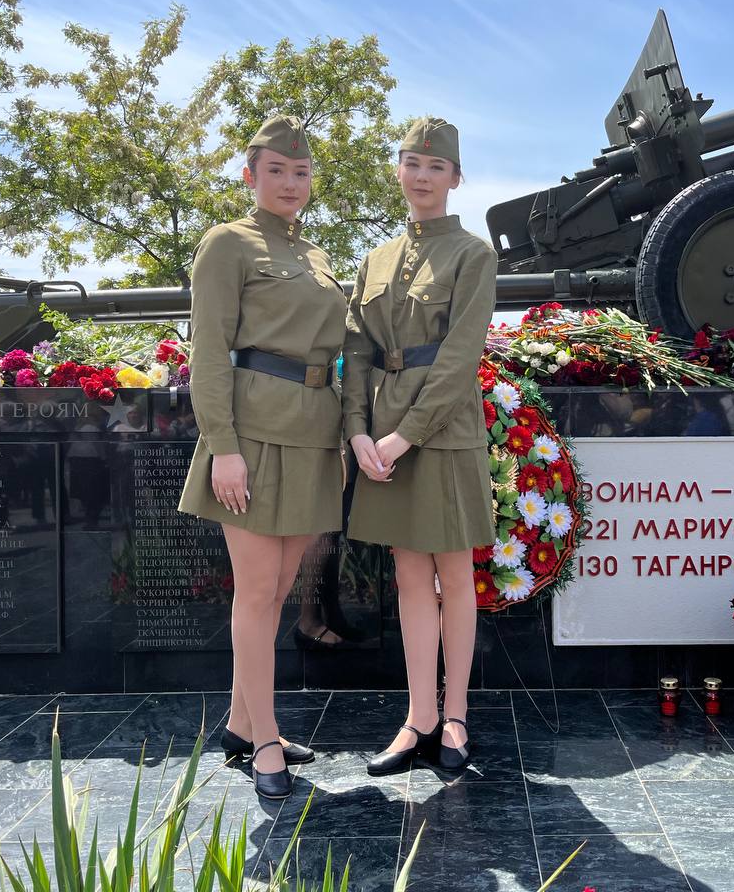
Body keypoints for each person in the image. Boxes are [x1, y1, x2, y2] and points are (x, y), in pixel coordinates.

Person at [177, 115, 348, 800]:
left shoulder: (317, 254)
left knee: (279, 592)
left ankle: (241, 726)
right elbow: (209, 351)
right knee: (255, 592)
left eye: (301, 172)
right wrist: (223, 448)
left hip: (313, 432)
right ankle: (267, 741)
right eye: (276, 170)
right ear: (250, 176)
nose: (290, 183)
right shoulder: (228, 242)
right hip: (251, 432)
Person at [342, 116, 496, 776]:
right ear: (398, 170)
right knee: (409, 576)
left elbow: (460, 359)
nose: (423, 176)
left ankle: (455, 716)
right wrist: (357, 431)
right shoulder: (374, 261)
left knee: (454, 575)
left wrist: (403, 437)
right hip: (380, 432)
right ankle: (419, 718)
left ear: (455, 178)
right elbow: (356, 351)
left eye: (437, 166)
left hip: (444, 431)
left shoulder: (473, 255)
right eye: (412, 162)